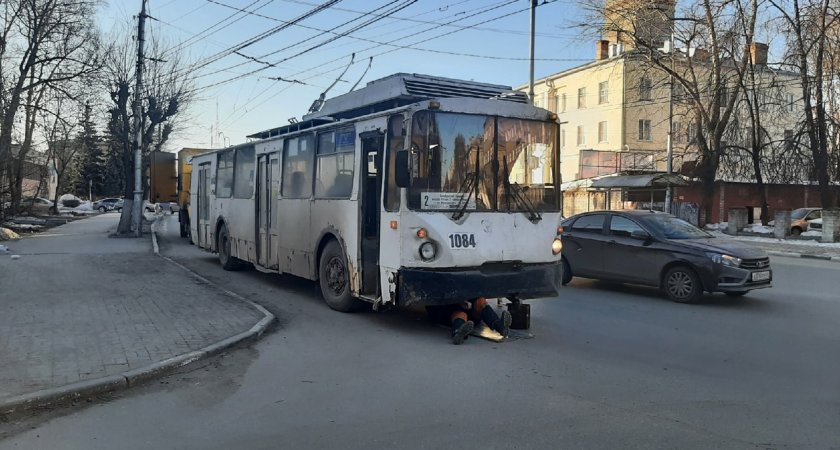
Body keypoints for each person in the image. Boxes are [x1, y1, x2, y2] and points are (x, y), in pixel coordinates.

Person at [448, 297, 512, 345]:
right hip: (454, 313)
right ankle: (458, 334)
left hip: (471, 317)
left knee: (480, 301)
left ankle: (501, 327)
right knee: (460, 314)